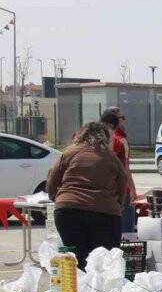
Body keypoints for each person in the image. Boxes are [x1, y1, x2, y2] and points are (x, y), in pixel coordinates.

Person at [46, 122, 129, 270]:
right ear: (106, 139)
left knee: (76, 259)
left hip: (67, 212)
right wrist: (117, 205)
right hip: (104, 213)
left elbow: (52, 180)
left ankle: (76, 291)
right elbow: (122, 186)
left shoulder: (69, 153)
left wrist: (58, 199)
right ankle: (98, 291)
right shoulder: (111, 158)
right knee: (105, 261)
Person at [100, 107, 138, 234]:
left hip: (103, 191)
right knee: (126, 230)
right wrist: (132, 189)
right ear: (114, 121)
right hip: (120, 190)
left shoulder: (98, 138)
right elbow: (125, 167)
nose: (124, 121)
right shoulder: (119, 140)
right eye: (122, 118)